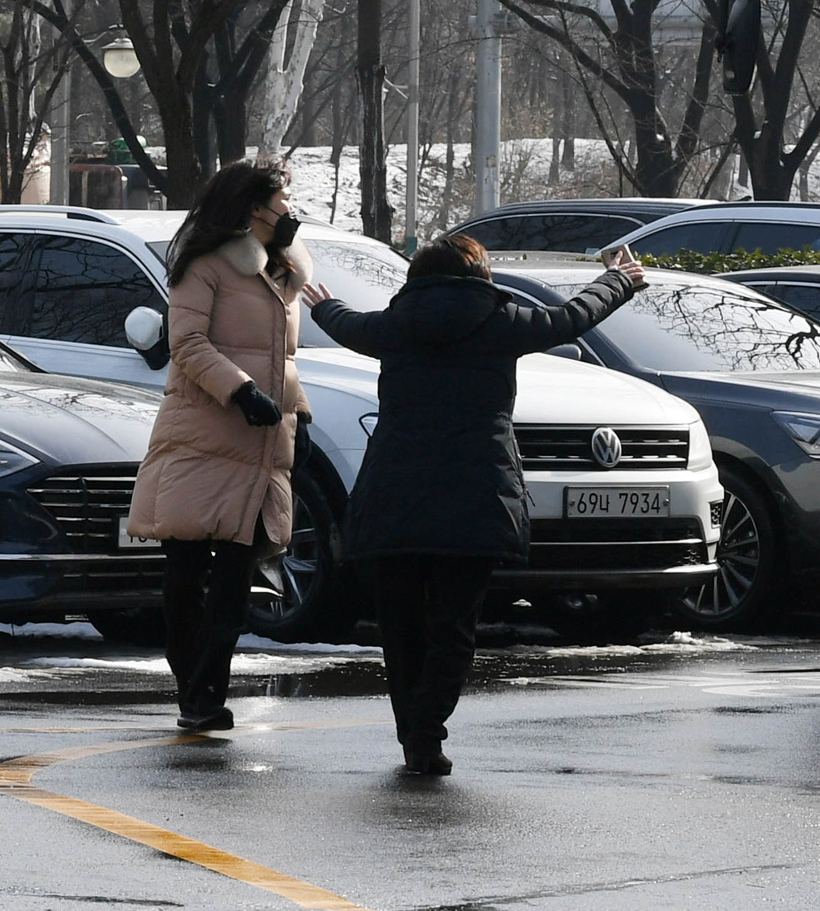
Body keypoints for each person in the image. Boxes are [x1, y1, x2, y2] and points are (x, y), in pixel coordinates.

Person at [301, 235, 644, 776]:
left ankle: (413, 736)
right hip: (476, 493)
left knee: (400, 625)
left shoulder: (393, 325)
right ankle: (426, 732)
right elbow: (575, 316)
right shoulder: (503, 322)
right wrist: (619, 279)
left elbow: (344, 324)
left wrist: (323, 303)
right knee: (454, 626)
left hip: (395, 495)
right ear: (479, 275)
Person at [128, 162, 312, 732]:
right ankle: (192, 681)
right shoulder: (204, 266)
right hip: (202, 437)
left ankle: (207, 692)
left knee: (236, 578)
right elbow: (185, 343)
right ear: (254, 208)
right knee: (186, 573)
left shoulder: (280, 274)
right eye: (282, 201)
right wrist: (240, 391)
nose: (289, 212)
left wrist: (297, 413)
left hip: (259, 444)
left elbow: (283, 360)